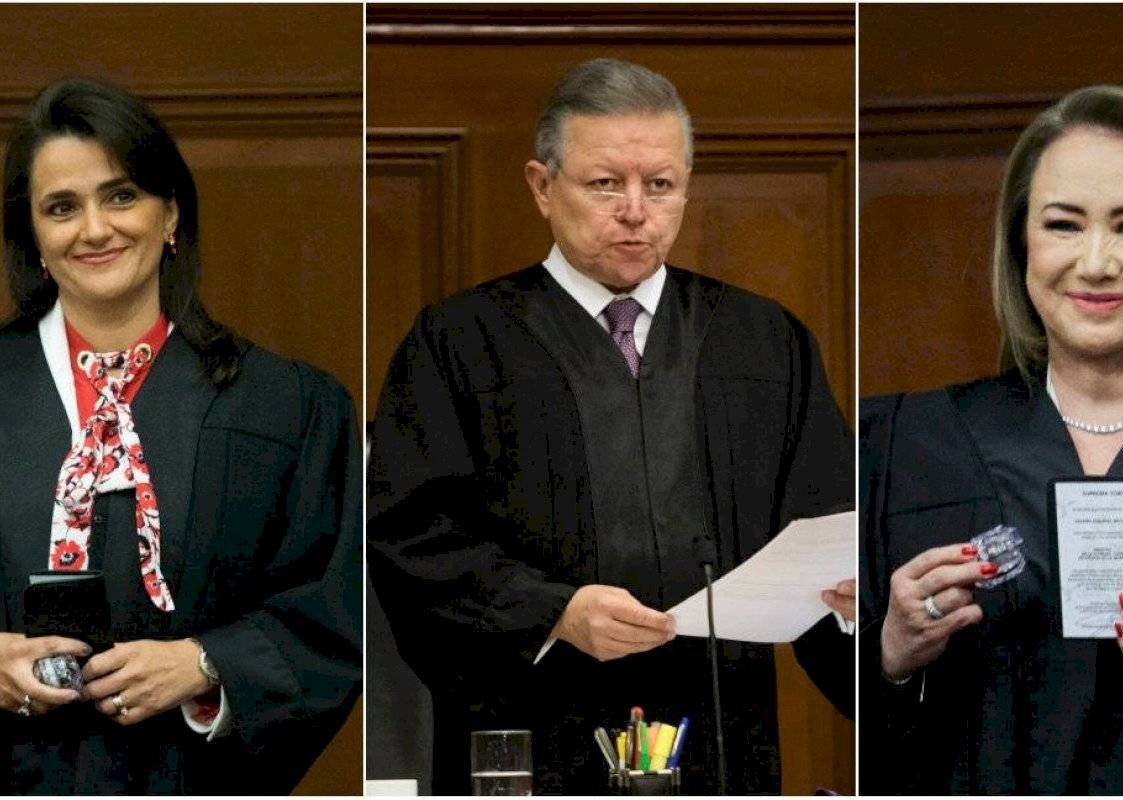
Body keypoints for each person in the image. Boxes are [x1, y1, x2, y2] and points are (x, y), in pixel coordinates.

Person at [367, 58, 854, 795]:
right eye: (604, 183)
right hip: (533, 730)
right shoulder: (459, 342)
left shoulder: (763, 342)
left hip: (722, 733)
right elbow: (410, 535)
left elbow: (825, 524)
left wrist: (847, 604)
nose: (635, 210)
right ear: (542, 186)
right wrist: (552, 613)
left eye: (659, 185)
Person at [0, 78, 361, 794]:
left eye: (121, 196)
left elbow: (332, 616)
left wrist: (206, 664)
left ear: (170, 214)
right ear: (34, 238)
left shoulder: (286, 408)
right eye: (62, 207)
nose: (94, 229)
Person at [861, 85, 1123, 794]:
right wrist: (890, 655)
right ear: (1022, 247)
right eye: (1063, 225)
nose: (1096, 263)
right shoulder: (907, 447)